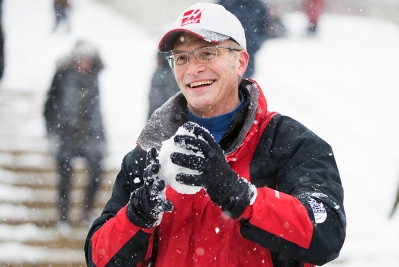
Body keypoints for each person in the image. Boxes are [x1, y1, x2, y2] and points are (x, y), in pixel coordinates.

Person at [84, 3, 346, 267]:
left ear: (240, 62)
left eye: (207, 53)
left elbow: (326, 233)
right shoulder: (149, 153)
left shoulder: (290, 143)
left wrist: (238, 195)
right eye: (182, 58)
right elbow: (98, 259)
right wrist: (136, 216)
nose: (193, 69)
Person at [44, 41, 106, 228]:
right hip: (66, 134)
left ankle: (86, 211)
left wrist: (101, 135)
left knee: (97, 169)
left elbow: (96, 109)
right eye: (83, 58)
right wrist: (53, 130)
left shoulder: (94, 77)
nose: (85, 63)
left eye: (89, 59)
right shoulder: (62, 74)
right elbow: (49, 105)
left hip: (89, 135)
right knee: (64, 174)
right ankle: (63, 215)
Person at [218, 0, 270, 78]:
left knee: (246, 82)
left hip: (249, 52)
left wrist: (256, 43)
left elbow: (264, 27)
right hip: (227, 51)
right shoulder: (225, 3)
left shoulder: (257, 5)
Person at [147, 51, 180, 119]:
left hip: (162, 117)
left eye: (158, 58)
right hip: (172, 117)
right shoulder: (173, 74)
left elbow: (155, 99)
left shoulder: (160, 75)